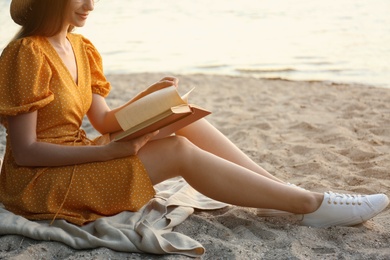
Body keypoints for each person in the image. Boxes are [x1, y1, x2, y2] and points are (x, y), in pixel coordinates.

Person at [0, 0, 388, 229]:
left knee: (185, 117)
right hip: (39, 183)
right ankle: (309, 205)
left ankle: (281, 193)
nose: (91, 4)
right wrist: (106, 154)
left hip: (77, 157)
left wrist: (149, 98)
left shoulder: (80, 46)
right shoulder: (26, 54)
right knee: (177, 151)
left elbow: (102, 122)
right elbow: (28, 151)